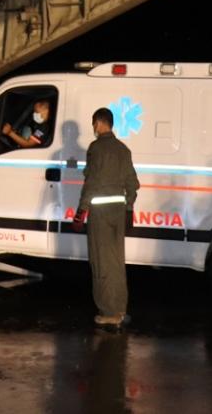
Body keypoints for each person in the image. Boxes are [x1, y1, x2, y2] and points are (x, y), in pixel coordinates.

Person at [71, 107, 140, 328]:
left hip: (100, 214)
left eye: (94, 124)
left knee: (101, 263)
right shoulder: (123, 149)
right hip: (119, 213)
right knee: (117, 262)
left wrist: (80, 213)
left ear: (99, 123)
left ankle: (109, 313)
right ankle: (120, 308)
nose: (93, 128)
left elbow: (91, 183)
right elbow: (132, 184)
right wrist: (129, 209)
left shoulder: (96, 148)